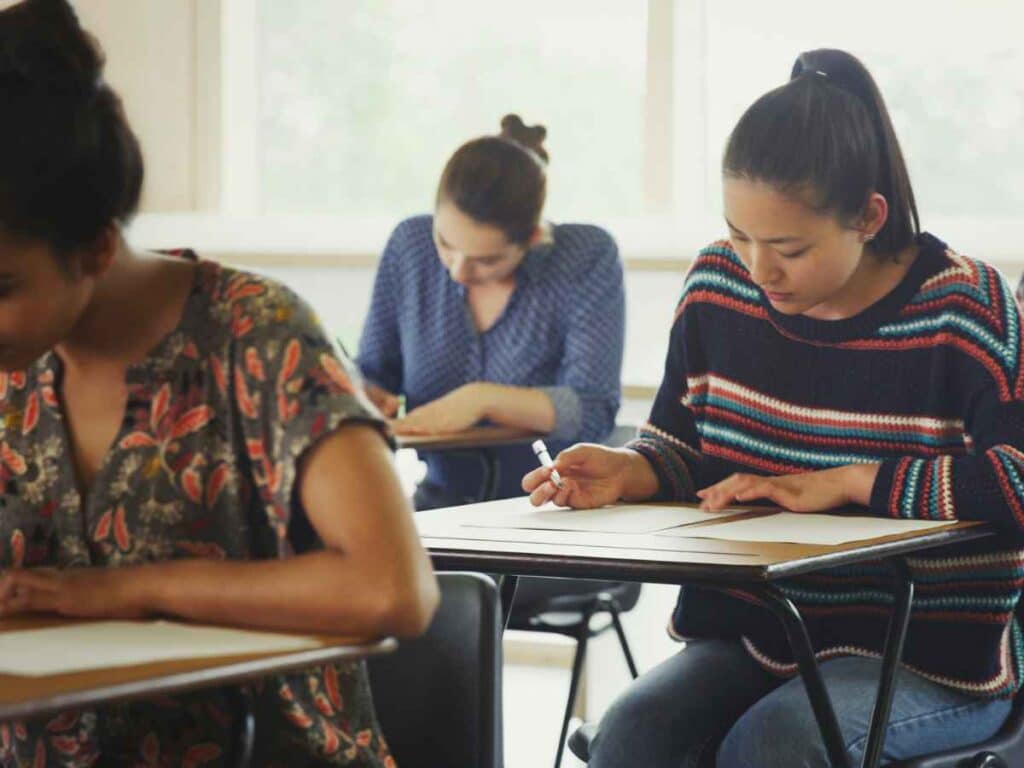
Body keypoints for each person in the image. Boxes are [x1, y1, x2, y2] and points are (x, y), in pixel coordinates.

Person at [523, 48, 1024, 767]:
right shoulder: (717, 287)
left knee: (777, 743)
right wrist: (628, 471)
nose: (759, 270)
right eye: (739, 234)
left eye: (788, 247)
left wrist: (854, 483)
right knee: (633, 730)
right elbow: (685, 451)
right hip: (762, 635)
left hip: (928, 654)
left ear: (869, 217)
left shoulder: (965, 308)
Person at [0, 1, 438, 765]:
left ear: (97, 247)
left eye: (2, 284)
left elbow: (392, 589)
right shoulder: (19, 354)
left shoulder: (257, 334)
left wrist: (132, 589)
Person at [357, 115, 624, 509]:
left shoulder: (585, 256)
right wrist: (365, 395)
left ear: (532, 239)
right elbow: (373, 372)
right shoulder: (409, 246)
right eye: (445, 243)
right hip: (440, 506)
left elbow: (592, 409)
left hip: (556, 508)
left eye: (486, 261)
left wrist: (481, 399)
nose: (458, 270)